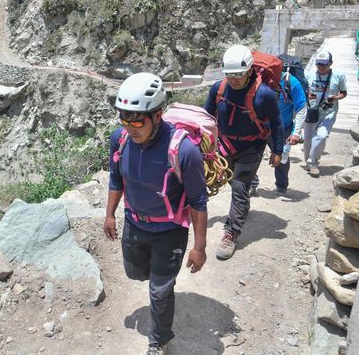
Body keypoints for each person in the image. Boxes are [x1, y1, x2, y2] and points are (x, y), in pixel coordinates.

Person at [103, 72, 208, 355]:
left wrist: (199, 247)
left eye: (137, 119)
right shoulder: (120, 140)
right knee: (136, 274)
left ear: (157, 115)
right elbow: (116, 179)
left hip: (169, 231)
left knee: (160, 290)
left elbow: (198, 199)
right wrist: (110, 214)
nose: (129, 126)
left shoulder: (184, 151)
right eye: (123, 118)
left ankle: (158, 340)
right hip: (135, 224)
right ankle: (161, 283)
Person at [203, 45, 284, 260]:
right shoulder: (218, 89)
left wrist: (278, 150)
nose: (234, 79)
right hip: (224, 145)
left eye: (239, 75)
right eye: (230, 75)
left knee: (239, 186)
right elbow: (205, 117)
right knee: (222, 180)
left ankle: (231, 232)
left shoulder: (264, 94)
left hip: (251, 148)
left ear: (249, 71)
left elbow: (276, 123)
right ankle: (242, 203)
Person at [250, 65, 308, 195]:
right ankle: (251, 182)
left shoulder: (291, 83)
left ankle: (281, 185)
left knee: (281, 158)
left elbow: (301, 108)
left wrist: (296, 133)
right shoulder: (256, 79)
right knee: (250, 156)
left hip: (281, 128)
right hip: (258, 126)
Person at [304, 51, 347, 177]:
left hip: (329, 111)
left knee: (321, 136)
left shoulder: (339, 76)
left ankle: (313, 162)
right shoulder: (309, 75)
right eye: (319, 65)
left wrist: (335, 97)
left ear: (331, 64)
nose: (321, 68)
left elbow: (344, 93)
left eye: (324, 65)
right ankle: (308, 161)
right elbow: (302, 90)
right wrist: (308, 95)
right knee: (308, 140)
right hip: (312, 111)